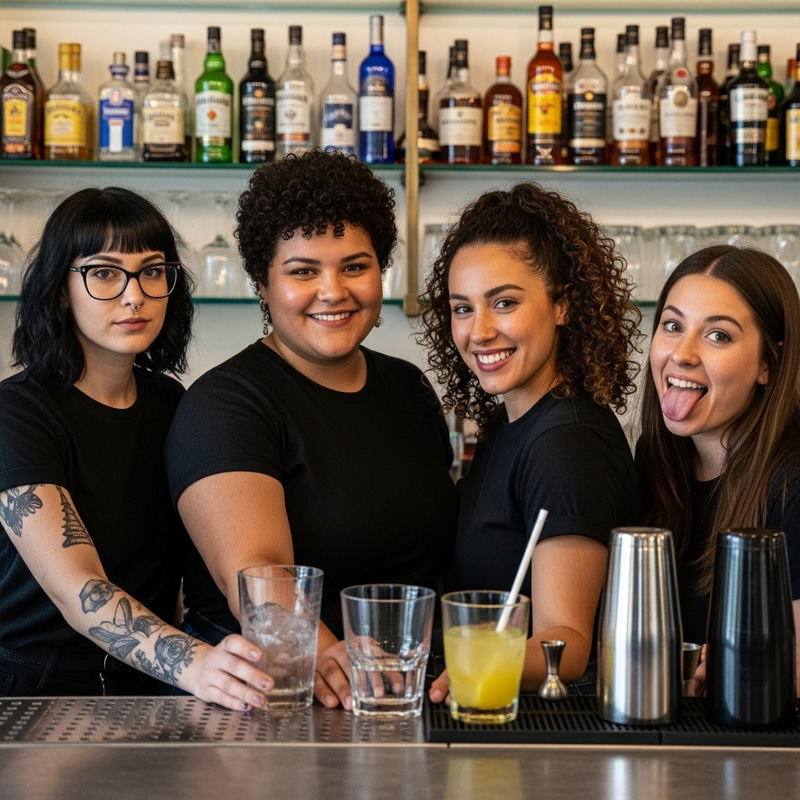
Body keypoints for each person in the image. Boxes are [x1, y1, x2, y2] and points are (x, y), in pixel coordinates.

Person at [165, 150, 458, 710]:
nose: (334, 290)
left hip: (403, 695)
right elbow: (259, 578)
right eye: (303, 271)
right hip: (274, 703)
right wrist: (334, 656)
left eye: (355, 266)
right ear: (262, 282)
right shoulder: (226, 406)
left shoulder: (409, 388)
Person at [0, 187, 272, 709]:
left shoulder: (174, 404)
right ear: (61, 289)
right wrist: (195, 662)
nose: (134, 295)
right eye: (104, 273)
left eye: (152, 270)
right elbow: (76, 588)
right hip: (35, 688)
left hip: (148, 683)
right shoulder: (18, 413)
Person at [420, 182, 641, 699]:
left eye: (504, 303)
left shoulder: (568, 442)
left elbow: (568, 644)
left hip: (552, 737)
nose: (479, 331)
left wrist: (470, 658)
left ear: (562, 304)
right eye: (462, 308)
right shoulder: (510, 426)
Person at [636, 245, 800, 692]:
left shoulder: (791, 486)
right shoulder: (655, 474)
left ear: (769, 363)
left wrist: (743, 673)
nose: (682, 354)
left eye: (718, 336)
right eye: (672, 326)